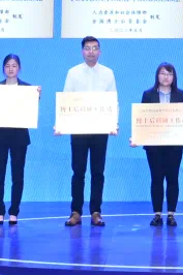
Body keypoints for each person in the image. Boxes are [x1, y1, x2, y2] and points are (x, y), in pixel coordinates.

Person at [61, 36, 117, 227]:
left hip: (100, 129)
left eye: (94, 48)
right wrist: (62, 124)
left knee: (98, 172)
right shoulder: (73, 73)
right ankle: (76, 211)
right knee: (78, 171)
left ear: (99, 51)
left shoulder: (108, 73)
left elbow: (113, 100)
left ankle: (96, 212)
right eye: (87, 48)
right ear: (82, 51)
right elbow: (66, 100)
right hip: (78, 129)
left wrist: (113, 123)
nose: (91, 51)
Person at [131, 62, 183, 227]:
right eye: (163, 73)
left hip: (174, 146)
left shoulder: (180, 94)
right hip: (154, 146)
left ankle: (171, 214)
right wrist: (136, 137)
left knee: (173, 178)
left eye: (170, 74)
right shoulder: (148, 95)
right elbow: (141, 119)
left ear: (174, 77)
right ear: (157, 76)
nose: (166, 77)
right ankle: (157, 214)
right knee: (156, 179)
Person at [0, 53, 40, 225]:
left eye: (14, 65)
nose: (11, 69)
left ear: (19, 68)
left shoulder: (27, 89)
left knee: (18, 176)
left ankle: (14, 212)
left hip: (19, 137)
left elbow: (30, 110)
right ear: (3, 69)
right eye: (7, 66)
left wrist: (36, 97)